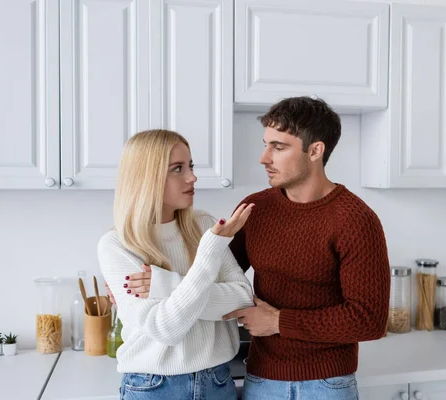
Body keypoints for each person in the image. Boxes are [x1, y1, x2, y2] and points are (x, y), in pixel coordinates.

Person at [122, 97, 391, 399]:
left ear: (315, 150)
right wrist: (153, 284)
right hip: (261, 380)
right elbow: (209, 280)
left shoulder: (356, 220)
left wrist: (279, 322)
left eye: (279, 147)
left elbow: (369, 320)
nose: (264, 158)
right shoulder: (256, 209)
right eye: (266, 145)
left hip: (327, 384)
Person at [97, 129, 255, 400]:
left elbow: (242, 298)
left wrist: (165, 285)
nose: (192, 177)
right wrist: (208, 254)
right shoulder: (117, 245)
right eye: (177, 169)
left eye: (190, 166)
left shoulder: (205, 225)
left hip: (218, 382)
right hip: (154, 387)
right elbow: (167, 328)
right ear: (147, 176)